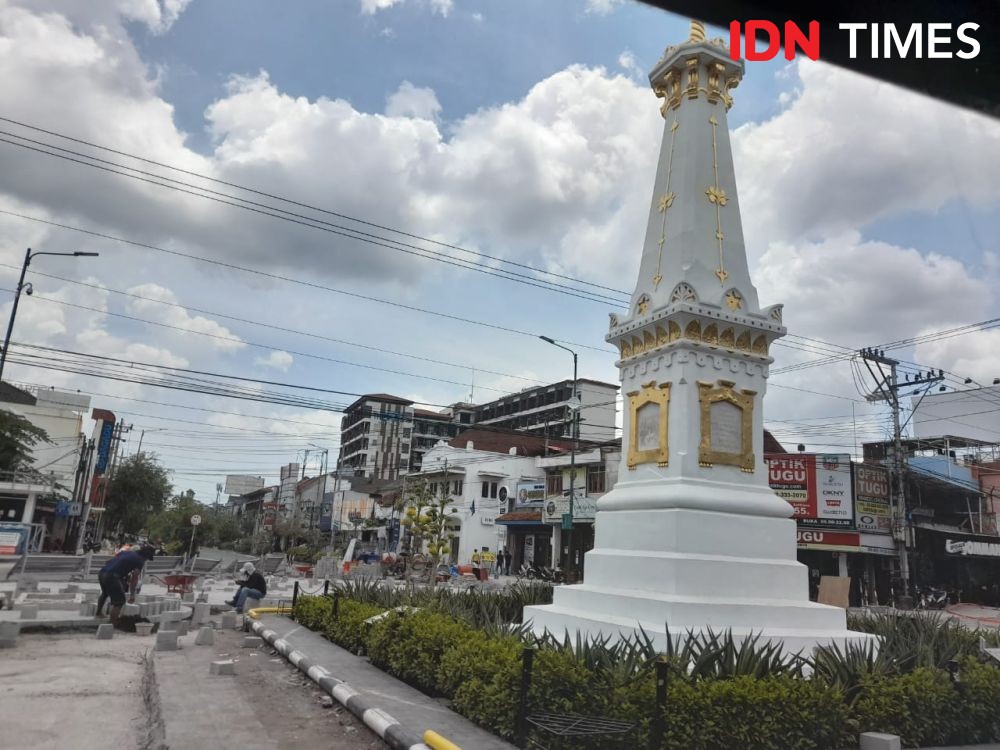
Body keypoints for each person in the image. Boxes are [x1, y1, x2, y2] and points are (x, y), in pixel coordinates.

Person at [98, 544, 155, 625]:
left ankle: (98, 613)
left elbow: (109, 562)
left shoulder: (126, 552)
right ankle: (111, 624)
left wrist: (122, 573)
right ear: (146, 555)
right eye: (147, 558)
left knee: (105, 593)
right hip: (112, 576)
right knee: (120, 601)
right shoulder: (140, 560)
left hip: (102, 572)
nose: (146, 560)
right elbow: (134, 579)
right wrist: (132, 595)